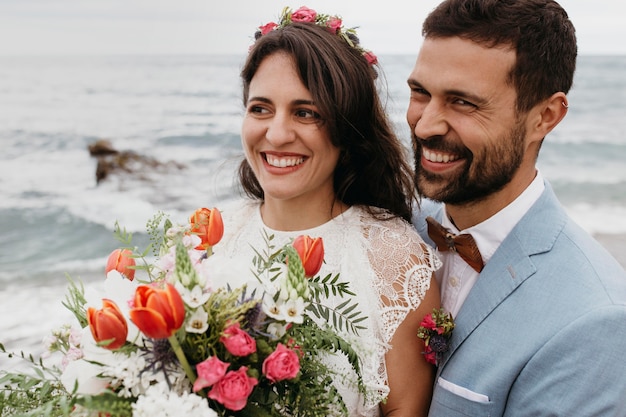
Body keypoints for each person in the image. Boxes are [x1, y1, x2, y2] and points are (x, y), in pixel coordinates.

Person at [207, 6, 441, 417]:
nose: (276, 134)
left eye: (306, 113)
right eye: (260, 108)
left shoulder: (394, 261)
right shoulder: (207, 238)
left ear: (347, 129)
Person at [407, 0, 626, 415]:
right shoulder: (390, 231)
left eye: (463, 102)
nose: (425, 124)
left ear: (544, 116)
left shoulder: (596, 320)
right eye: (420, 93)